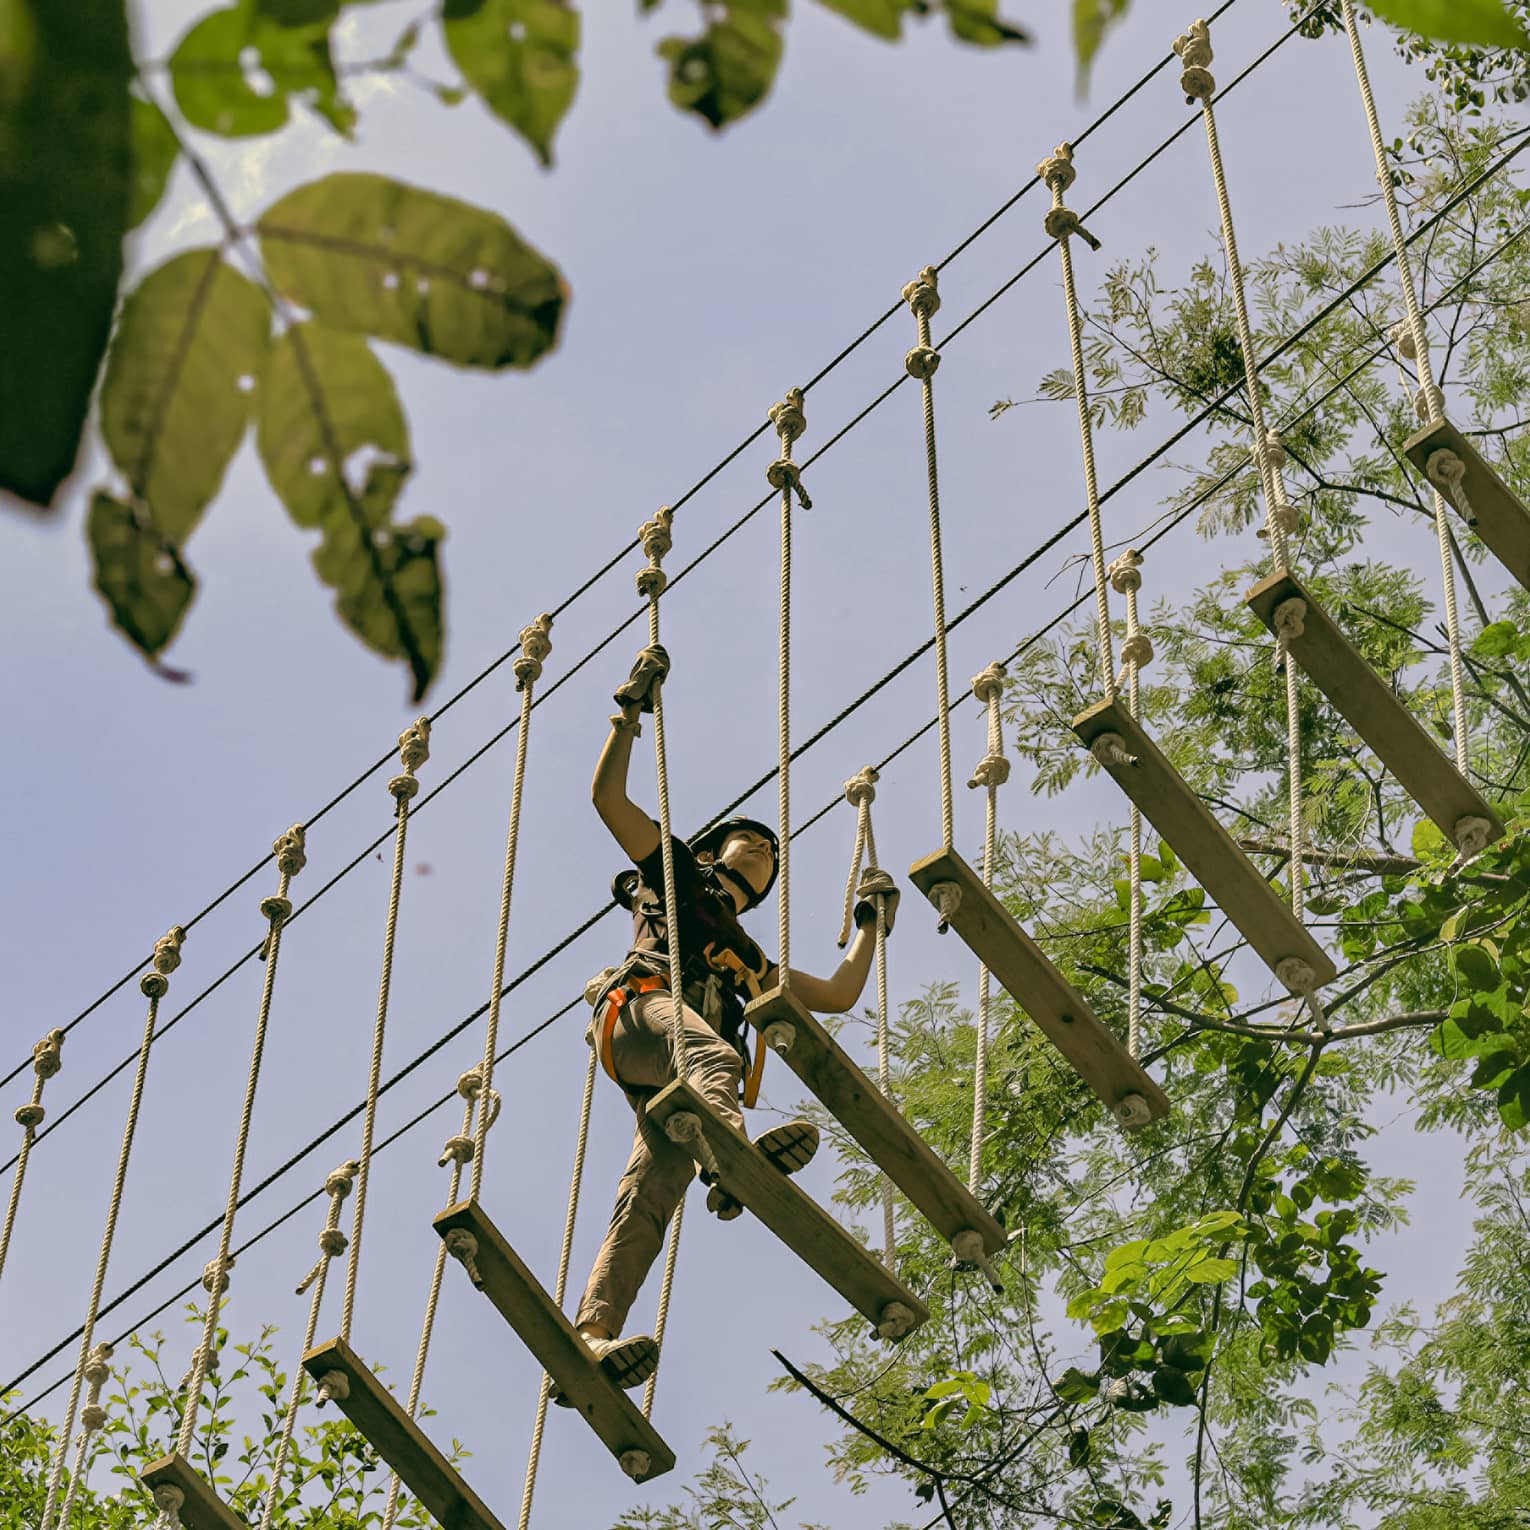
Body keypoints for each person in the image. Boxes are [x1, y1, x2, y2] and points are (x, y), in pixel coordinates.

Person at [562, 643, 899, 1398]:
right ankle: (731, 1160)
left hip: (676, 1080)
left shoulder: (748, 954)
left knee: (647, 1199)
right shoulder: (676, 871)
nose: (768, 852)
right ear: (717, 851)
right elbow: (609, 802)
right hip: (638, 1016)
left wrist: (872, 924)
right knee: (714, 1061)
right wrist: (629, 713)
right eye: (755, 842)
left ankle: (590, 1334)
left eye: (774, 857)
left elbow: (837, 994)